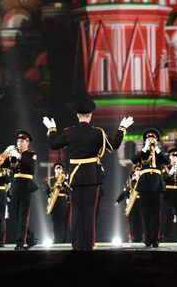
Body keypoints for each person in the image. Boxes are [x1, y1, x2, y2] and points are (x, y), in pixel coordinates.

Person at [44, 98, 130, 250]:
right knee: (89, 213)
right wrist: (122, 128)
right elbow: (114, 145)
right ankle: (88, 245)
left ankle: (77, 245)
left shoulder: (69, 132)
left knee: (76, 213)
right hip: (92, 176)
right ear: (90, 115)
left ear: (77, 115)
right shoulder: (98, 132)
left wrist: (52, 129)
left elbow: (53, 144)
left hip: (75, 177)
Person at [4, 129, 39, 250]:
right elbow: (1, 164)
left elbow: (29, 165)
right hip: (16, 186)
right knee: (17, 216)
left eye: (22, 140)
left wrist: (17, 155)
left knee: (23, 216)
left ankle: (20, 242)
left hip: (26, 186)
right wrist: (5, 153)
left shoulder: (31, 154)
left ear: (27, 142)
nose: (19, 142)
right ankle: (32, 239)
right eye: (18, 140)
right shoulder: (14, 155)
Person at [132, 128, 167, 247]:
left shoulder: (159, 153)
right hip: (145, 185)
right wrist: (145, 148)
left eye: (153, 138)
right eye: (148, 138)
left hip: (157, 185)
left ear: (157, 140)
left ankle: (155, 239)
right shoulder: (143, 152)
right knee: (145, 213)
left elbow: (166, 161)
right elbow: (134, 160)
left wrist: (156, 148)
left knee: (157, 214)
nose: (151, 140)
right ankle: (147, 238)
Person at [45, 162, 70, 244]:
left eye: (60, 168)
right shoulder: (51, 180)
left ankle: (62, 240)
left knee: (63, 221)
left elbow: (68, 191)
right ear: (54, 170)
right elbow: (47, 191)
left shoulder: (66, 179)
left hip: (62, 200)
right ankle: (56, 240)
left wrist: (63, 182)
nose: (58, 169)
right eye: (56, 168)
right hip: (54, 201)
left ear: (62, 170)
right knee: (54, 221)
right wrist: (49, 198)